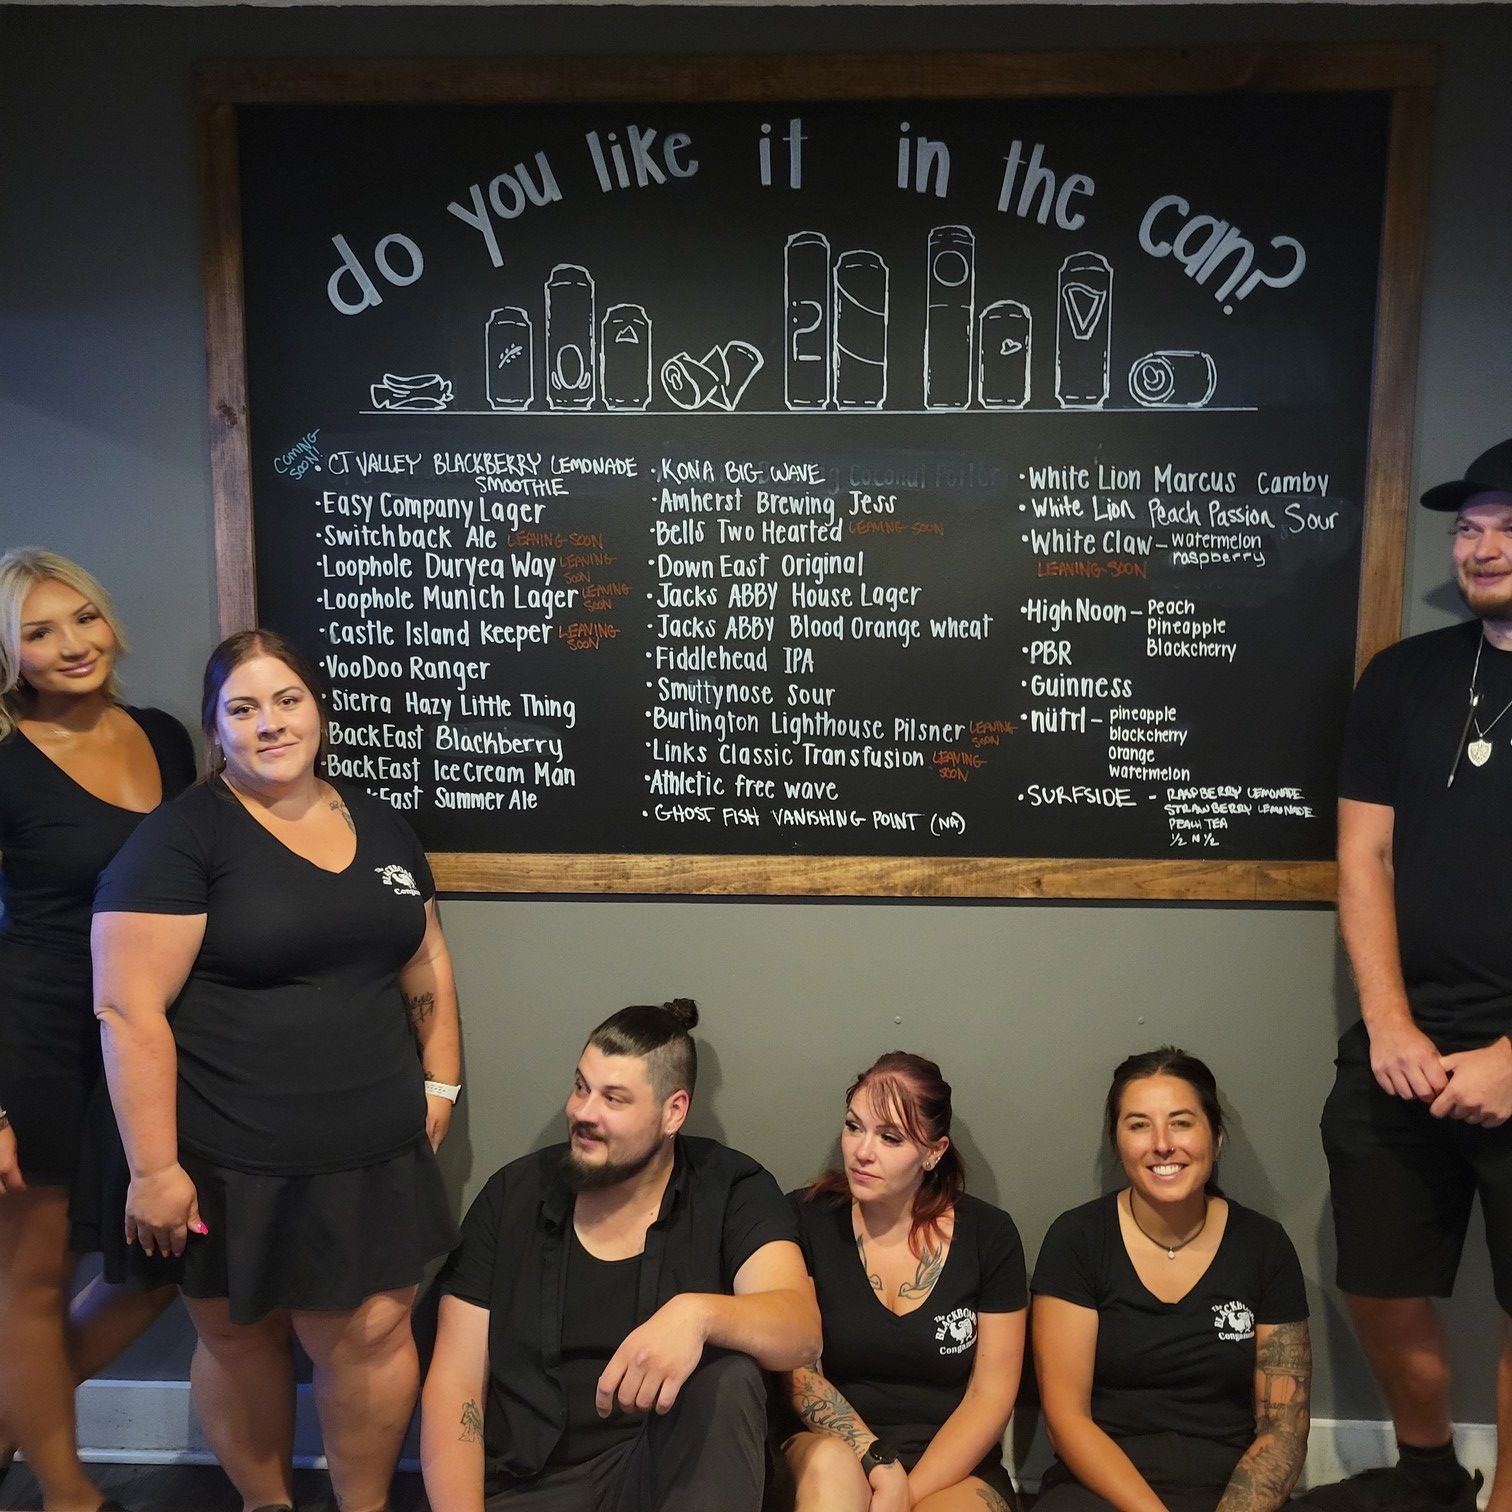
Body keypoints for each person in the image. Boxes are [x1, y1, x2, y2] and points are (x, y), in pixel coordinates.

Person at [90, 628, 461, 1512]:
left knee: (372, 1334)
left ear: (317, 709)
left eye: (287, 701)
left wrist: (440, 1081)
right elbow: (126, 1008)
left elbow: (428, 960)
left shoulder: (375, 821)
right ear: (216, 729)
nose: (270, 724)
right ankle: (267, 1504)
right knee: (241, 1339)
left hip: (371, 1154)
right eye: (244, 709)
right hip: (222, 1158)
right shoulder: (181, 840)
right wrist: (153, 1169)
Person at [1317, 437, 1512, 1512]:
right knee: (1376, 1279)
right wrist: (1389, 1025)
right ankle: (1432, 1470)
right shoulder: (1405, 678)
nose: (1481, 546)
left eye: (1506, 526)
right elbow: (1364, 857)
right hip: (1405, 1043)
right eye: (1468, 527)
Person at [421, 998, 820, 1512]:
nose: (582, 1113)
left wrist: (699, 1314)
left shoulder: (731, 1188)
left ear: (673, 1112)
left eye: (614, 1099)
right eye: (581, 1086)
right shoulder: (513, 1196)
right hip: (532, 1486)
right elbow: (457, 1385)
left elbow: (800, 1331)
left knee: (730, 1379)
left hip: (664, 1478)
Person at [0, 548, 195, 1512]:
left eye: (83, 618)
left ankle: (10, 1421)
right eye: (38, 632)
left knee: (163, 1262)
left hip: (144, 1040)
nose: (70, 645)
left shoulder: (163, 736)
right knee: (31, 1283)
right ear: (9, 654)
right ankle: (68, 1492)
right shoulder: (1, 753)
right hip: (30, 1039)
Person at [1032, 1047, 1311, 1512]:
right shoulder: (1077, 1239)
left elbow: (1283, 1431)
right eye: (1139, 1124)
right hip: (1105, 1489)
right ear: (1118, 1142)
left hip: (1234, 1491)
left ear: (1216, 1137)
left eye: (1181, 1122)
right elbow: (1067, 1423)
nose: (1162, 1143)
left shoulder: (1264, 1245)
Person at [782, 1051, 1026, 1512]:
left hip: (951, 1465)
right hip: (835, 1449)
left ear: (934, 1152)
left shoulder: (989, 1235)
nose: (862, 1151)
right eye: (854, 1127)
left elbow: (990, 1395)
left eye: (890, 1137)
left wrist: (903, 1497)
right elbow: (798, 1370)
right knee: (832, 1473)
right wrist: (878, 1465)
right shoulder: (804, 1218)